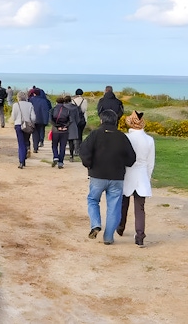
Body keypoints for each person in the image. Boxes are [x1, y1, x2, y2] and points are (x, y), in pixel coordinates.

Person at [80, 109, 136, 245]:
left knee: (93, 200)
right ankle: (108, 237)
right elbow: (131, 159)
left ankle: (95, 224)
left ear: (101, 120)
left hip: (97, 175)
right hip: (117, 177)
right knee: (114, 207)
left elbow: (83, 150)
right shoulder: (122, 137)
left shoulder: (95, 134)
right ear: (115, 121)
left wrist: (89, 165)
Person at [117, 111, 155, 247]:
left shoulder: (126, 138)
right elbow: (151, 162)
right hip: (142, 174)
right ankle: (140, 235)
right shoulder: (149, 140)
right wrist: (148, 177)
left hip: (128, 173)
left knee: (123, 204)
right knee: (140, 208)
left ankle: (120, 227)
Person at [11, 91, 36, 169]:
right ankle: (24, 156)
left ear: (18, 97)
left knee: (20, 143)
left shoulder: (15, 105)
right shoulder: (30, 105)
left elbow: (13, 117)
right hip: (27, 125)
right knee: (26, 141)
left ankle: (21, 161)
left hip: (18, 125)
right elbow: (33, 118)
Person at [50, 96, 73, 168]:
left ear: (56, 102)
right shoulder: (67, 110)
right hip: (65, 131)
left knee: (54, 145)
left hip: (55, 130)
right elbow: (70, 120)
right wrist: (65, 126)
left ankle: (55, 157)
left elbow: (51, 120)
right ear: (63, 103)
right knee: (62, 147)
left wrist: (57, 126)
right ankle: (60, 162)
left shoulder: (52, 110)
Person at [29, 89, 50, 154]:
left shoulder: (31, 100)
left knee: (35, 133)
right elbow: (48, 109)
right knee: (41, 129)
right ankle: (41, 141)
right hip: (42, 118)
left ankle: (35, 147)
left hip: (34, 119)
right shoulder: (44, 101)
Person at [63, 95, 81, 162]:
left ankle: (62, 154)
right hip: (73, 125)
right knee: (71, 142)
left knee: (63, 141)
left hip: (64, 125)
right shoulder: (74, 107)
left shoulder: (63, 107)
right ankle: (71, 156)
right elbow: (77, 119)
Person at [71, 88, 88, 153]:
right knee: (80, 134)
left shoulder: (73, 101)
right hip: (83, 119)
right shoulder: (84, 100)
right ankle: (80, 148)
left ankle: (76, 148)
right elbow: (84, 109)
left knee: (76, 134)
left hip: (75, 119)